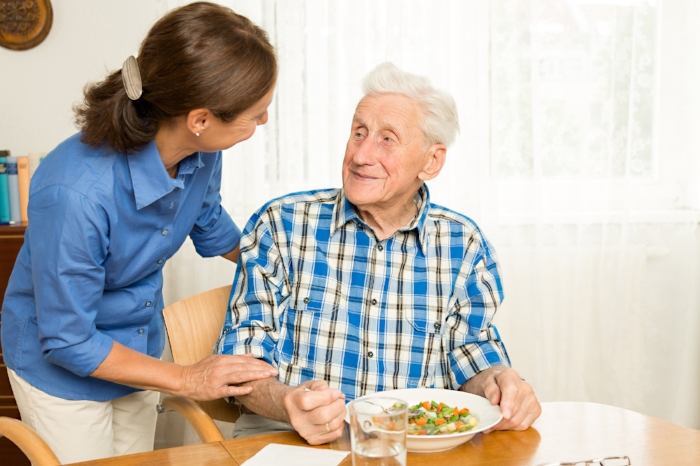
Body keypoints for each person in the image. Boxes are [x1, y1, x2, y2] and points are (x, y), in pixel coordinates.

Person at [1, 2, 279, 463]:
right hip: (62, 366)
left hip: (137, 343)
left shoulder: (201, 151)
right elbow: (69, 339)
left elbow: (207, 220)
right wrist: (189, 377)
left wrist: (284, 263)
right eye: (256, 113)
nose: (263, 121)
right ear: (200, 119)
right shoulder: (75, 193)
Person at [216, 62, 542, 445]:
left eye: (387, 139)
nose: (360, 155)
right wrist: (287, 401)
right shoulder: (281, 224)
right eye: (359, 133)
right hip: (289, 442)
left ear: (431, 161)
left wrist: (500, 384)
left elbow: (471, 354)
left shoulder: (464, 245)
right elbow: (242, 363)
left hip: (411, 450)